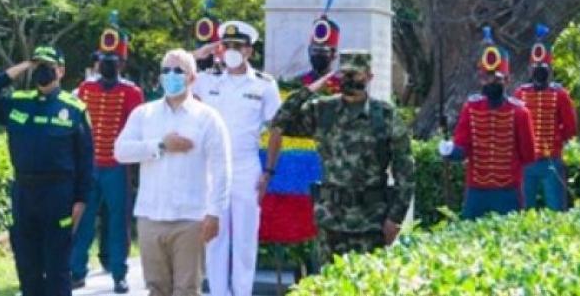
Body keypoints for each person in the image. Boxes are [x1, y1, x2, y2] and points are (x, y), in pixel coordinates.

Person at [267, 50, 414, 265]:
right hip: (330, 220)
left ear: (369, 77)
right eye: (344, 75)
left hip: (370, 222)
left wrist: (395, 219)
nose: (349, 80)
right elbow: (279, 122)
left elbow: (406, 172)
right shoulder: (323, 111)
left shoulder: (384, 116)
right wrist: (309, 90)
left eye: (356, 75)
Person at [0, 46, 93, 296]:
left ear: (61, 71)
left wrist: (81, 201)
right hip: (25, 193)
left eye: (48, 67)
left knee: (58, 269)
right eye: (38, 67)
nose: (43, 72)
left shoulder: (73, 109)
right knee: (28, 268)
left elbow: (85, 160)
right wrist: (16, 71)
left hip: (58, 194)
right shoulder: (19, 103)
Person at [114, 49, 231, 296]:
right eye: (166, 70)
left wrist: (214, 213)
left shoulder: (207, 118)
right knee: (156, 289)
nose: (171, 75)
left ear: (192, 78)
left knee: (187, 289)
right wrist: (159, 145)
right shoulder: (144, 114)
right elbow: (121, 151)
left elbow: (222, 168)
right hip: (150, 216)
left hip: (190, 218)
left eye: (178, 70)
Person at [192, 21, 281, 296]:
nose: (231, 51)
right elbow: (178, 70)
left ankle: (242, 292)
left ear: (248, 51)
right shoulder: (209, 80)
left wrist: (268, 171)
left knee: (244, 239)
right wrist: (201, 53)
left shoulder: (265, 85)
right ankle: (219, 292)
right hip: (214, 168)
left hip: (246, 167)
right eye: (226, 45)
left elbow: (277, 129)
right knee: (214, 237)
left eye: (237, 46)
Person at [71, 19, 144, 293]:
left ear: (122, 63)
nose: (107, 64)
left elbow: (137, 128)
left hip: (117, 167)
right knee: (84, 220)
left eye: (112, 60)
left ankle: (118, 273)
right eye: (103, 59)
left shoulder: (131, 92)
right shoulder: (86, 89)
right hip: (89, 167)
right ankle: (76, 270)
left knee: (117, 222)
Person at [439, 27, 536, 219]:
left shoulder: (520, 112)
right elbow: (462, 146)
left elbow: (528, 155)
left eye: (496, 78)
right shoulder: (471, 108)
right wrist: (450, 151)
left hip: (508, 191)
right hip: (477, 191)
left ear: (507, 80)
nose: (490, 82)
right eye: (486, 77)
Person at [513, 24, 578, 211]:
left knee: (557, 209)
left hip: (551, 159)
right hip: (526, 162)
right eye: (536, 66)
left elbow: (570, 127)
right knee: (523, 211)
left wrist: (556, 141)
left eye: (543, 66)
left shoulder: (559, 94)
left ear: (549, 68)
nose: (539, 70)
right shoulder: (521, 93)